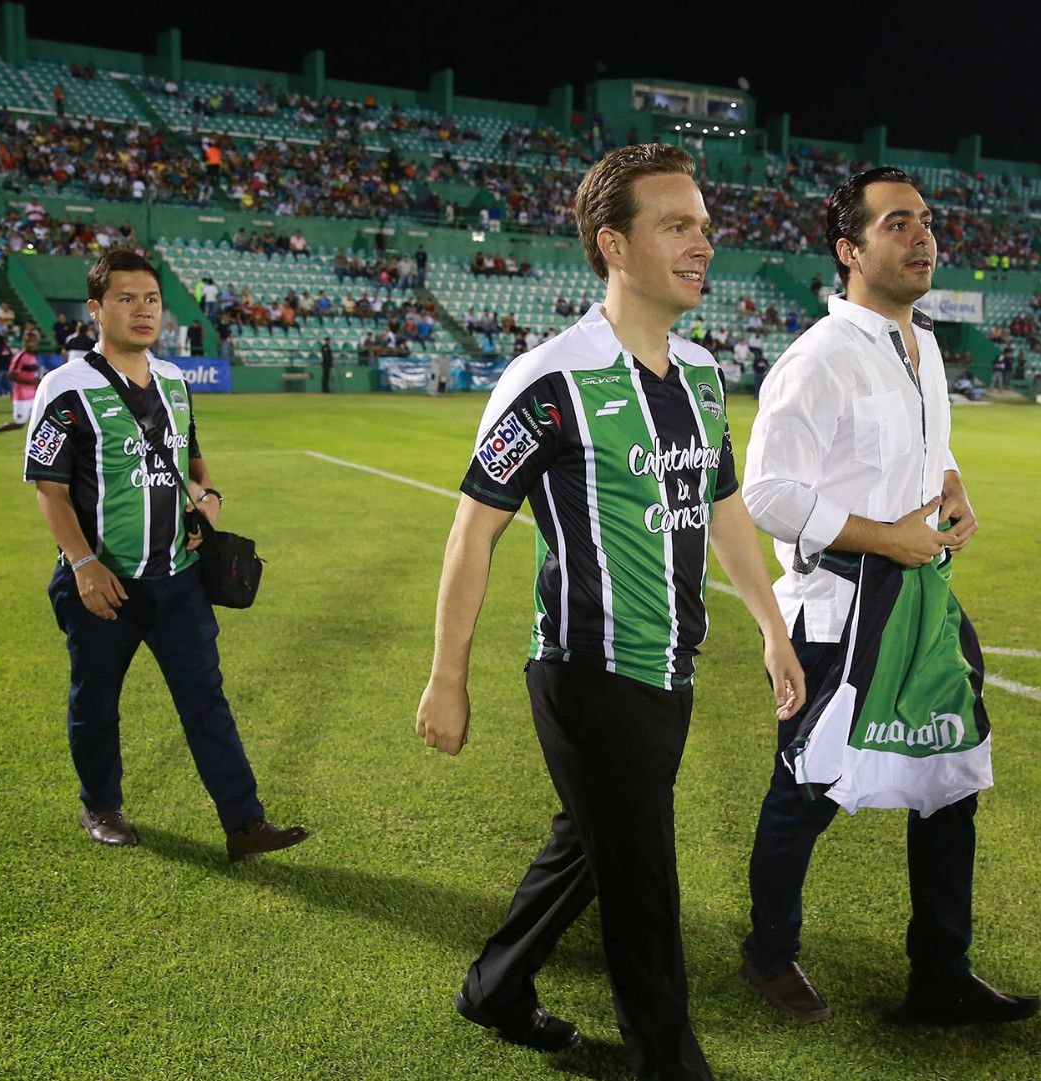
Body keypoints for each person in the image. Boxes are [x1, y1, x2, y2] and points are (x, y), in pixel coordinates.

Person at [416, 144, 803, 1081]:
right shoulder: (549, 381)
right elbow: (474, 535)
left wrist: (770, 622)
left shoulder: (704, 375)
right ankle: (667, 1060)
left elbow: (721, 509)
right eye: (676, 225)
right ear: (613, 246)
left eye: (704, 225)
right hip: (589, 673)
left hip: (671, 668)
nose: (703, 243)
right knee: (642, 883)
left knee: (589, 846)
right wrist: (447, 676)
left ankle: (496, 987)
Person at [739, 167, 1040, 1029]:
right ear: (850, 250)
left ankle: (940, 971)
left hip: (923, 604)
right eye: (897, 223)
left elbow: (923, 446)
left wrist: (952, 485)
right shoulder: (818, 358)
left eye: (927, 221)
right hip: (838, 613)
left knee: (949, 776)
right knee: (808, 788)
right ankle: (768, 952)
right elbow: (768, 493)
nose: (922, 237)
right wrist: (884, 536)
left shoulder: (925, 345)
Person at [24, 250, 307, 861]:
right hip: (105, 584)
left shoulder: (175, 381)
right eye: (126, 299)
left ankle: (244, 823)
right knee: (95, 703)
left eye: (151, 298)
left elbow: (189, 456)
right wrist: (83, 564)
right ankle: (100, 805)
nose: (143, 310)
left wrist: (207, 496)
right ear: (96, 310)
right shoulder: (65, 387)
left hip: (179, 581)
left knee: (207, 701)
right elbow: (49, 486)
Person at [0, 329, 43, 444]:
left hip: (33, 395)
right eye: (27, 341)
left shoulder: (33, 356)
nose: (30, 343)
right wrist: (31, 382)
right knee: (19, 423)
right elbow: (11, 375)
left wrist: (36, 384)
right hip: (21, 396)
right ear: (23, 342)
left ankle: (32, 446)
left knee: (40, 421)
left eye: (32, 341)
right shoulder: (20, 356)